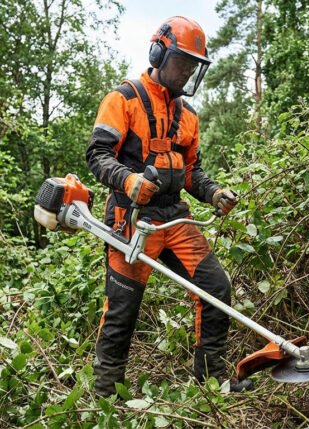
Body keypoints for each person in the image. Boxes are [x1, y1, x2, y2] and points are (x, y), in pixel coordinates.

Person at [85, 16, 249, 397]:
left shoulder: (188, 115)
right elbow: (97, 154)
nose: (188, 71)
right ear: (159, 54)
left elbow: (191, 172)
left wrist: (213, 193)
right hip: (131, 217)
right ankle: (106, 397)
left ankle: (210, 382)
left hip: (174, 217)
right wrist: (129, 180)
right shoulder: (123, 99)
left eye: (194, 65)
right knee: (122, 308)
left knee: (215, 288)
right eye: (183, 62)